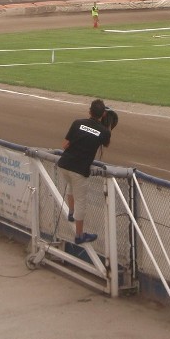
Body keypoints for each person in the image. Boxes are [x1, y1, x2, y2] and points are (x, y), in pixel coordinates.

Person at [57, 99, 113, 245]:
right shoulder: (104, 131)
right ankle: (79, 235)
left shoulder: (77, 123)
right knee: (81, 200)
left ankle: (71, 212)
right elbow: (106, 143)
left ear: (89, 111)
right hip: (79, 169)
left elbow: (65, 145)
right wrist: (107, 127)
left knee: (71, 186)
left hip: (64, 164)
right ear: (104, 114)